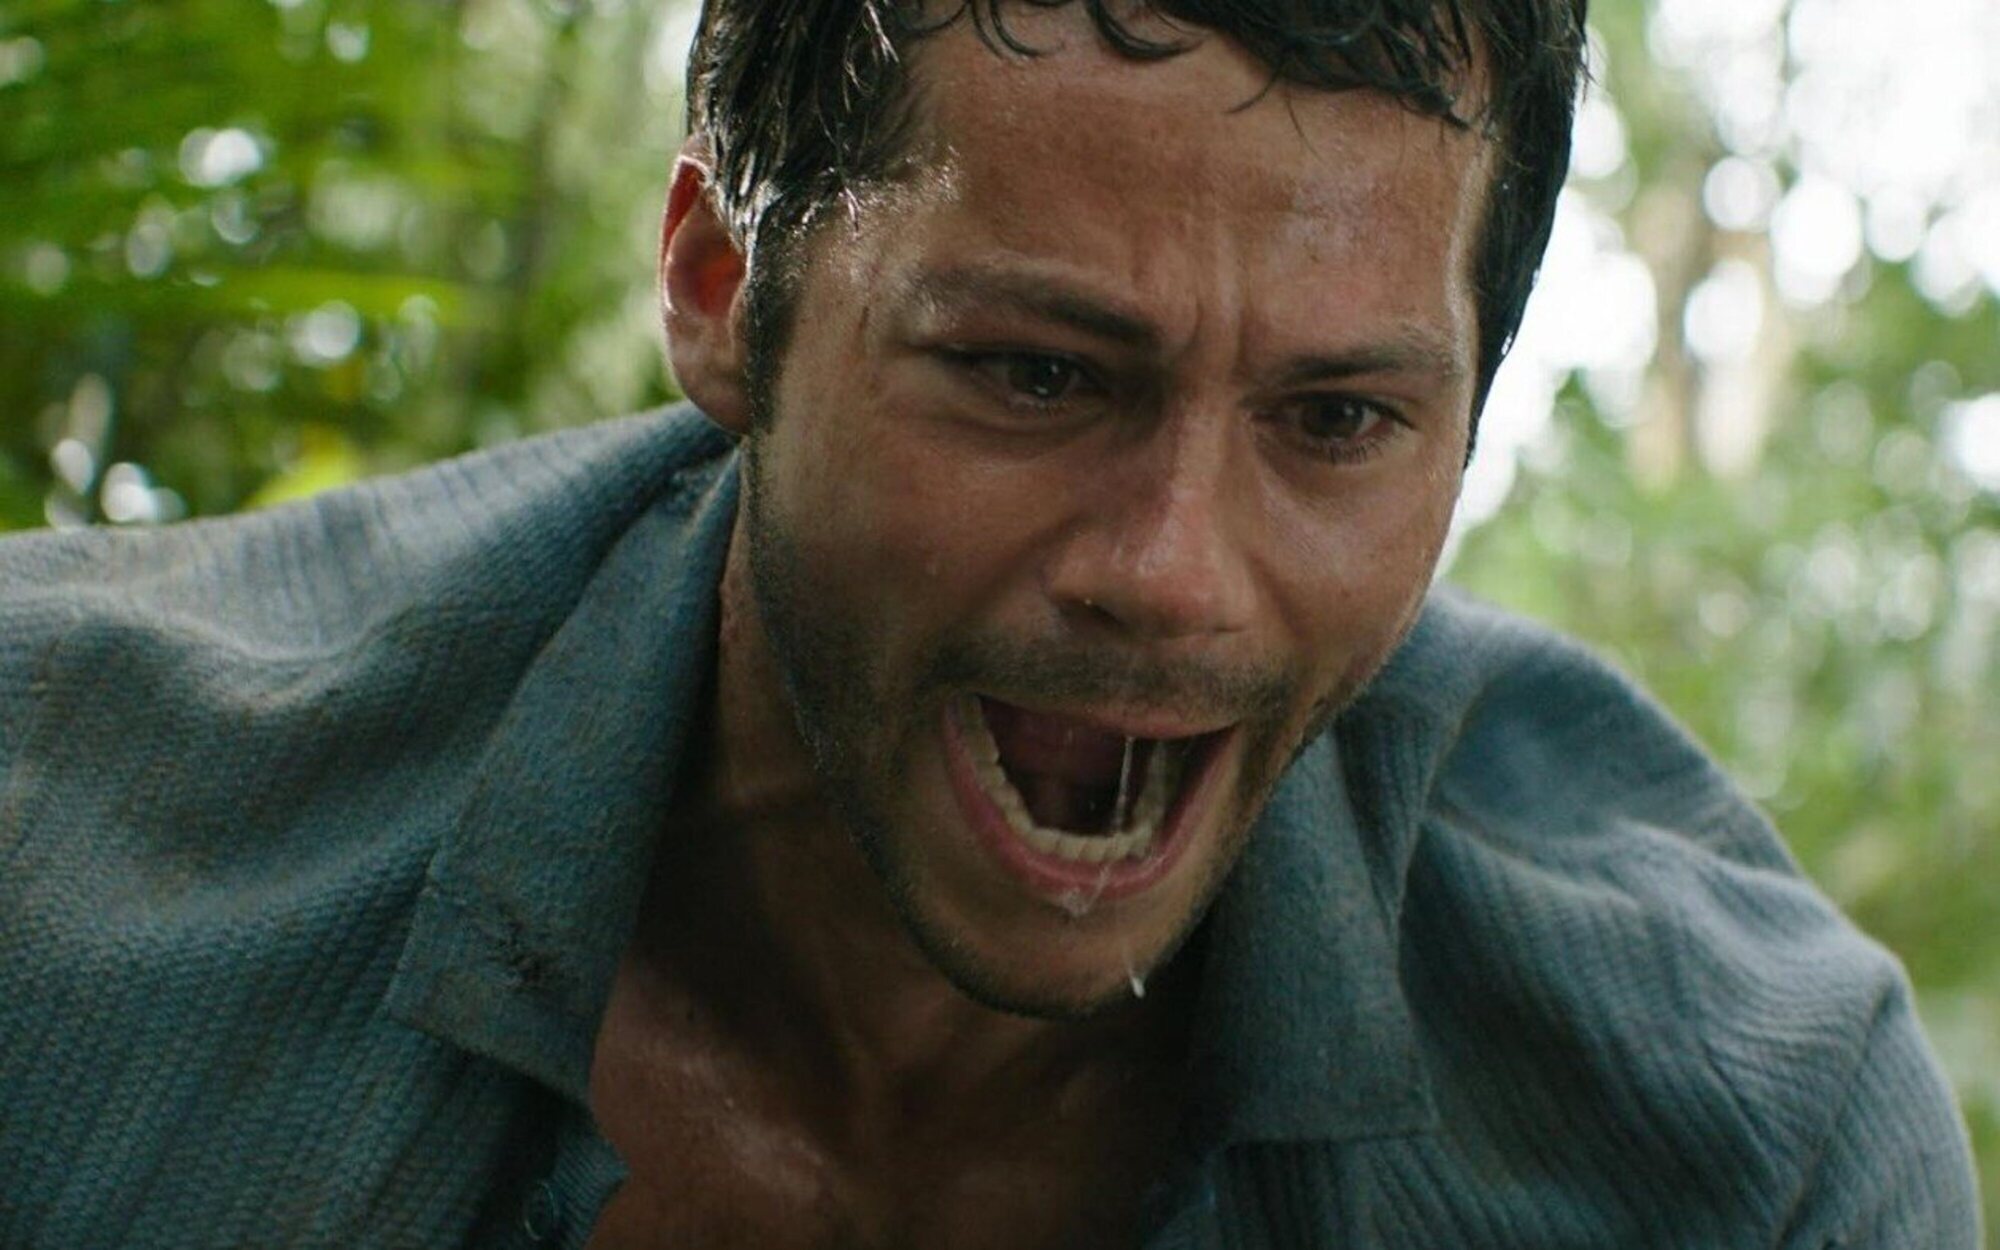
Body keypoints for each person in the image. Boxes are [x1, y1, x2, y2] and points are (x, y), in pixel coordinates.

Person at [0, 0, 1981, 1245]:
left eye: (1335, 422)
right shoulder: (56, 870)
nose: (1173, 571)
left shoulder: (1743, 1135)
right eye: (1037, 374)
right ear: (721, 290)